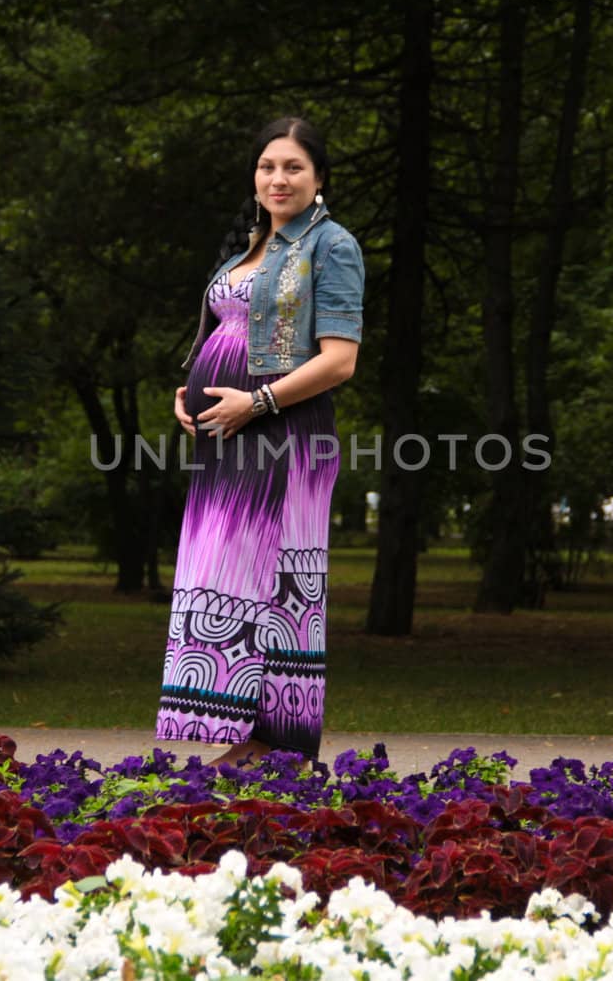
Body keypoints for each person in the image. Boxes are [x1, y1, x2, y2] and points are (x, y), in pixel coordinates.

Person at [155, 117, 365, 767]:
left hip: (284, 436)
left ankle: (279, 741)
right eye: (268, 165)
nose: (279, 178)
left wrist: (259, 401)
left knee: (277, 583)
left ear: (320, 178)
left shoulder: (332, 247)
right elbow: (222, 333)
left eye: (294, 167)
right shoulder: (248, 247)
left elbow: (340, 360)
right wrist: (186, 395)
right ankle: (247, 735)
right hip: (226, 439)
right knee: (227, 576)